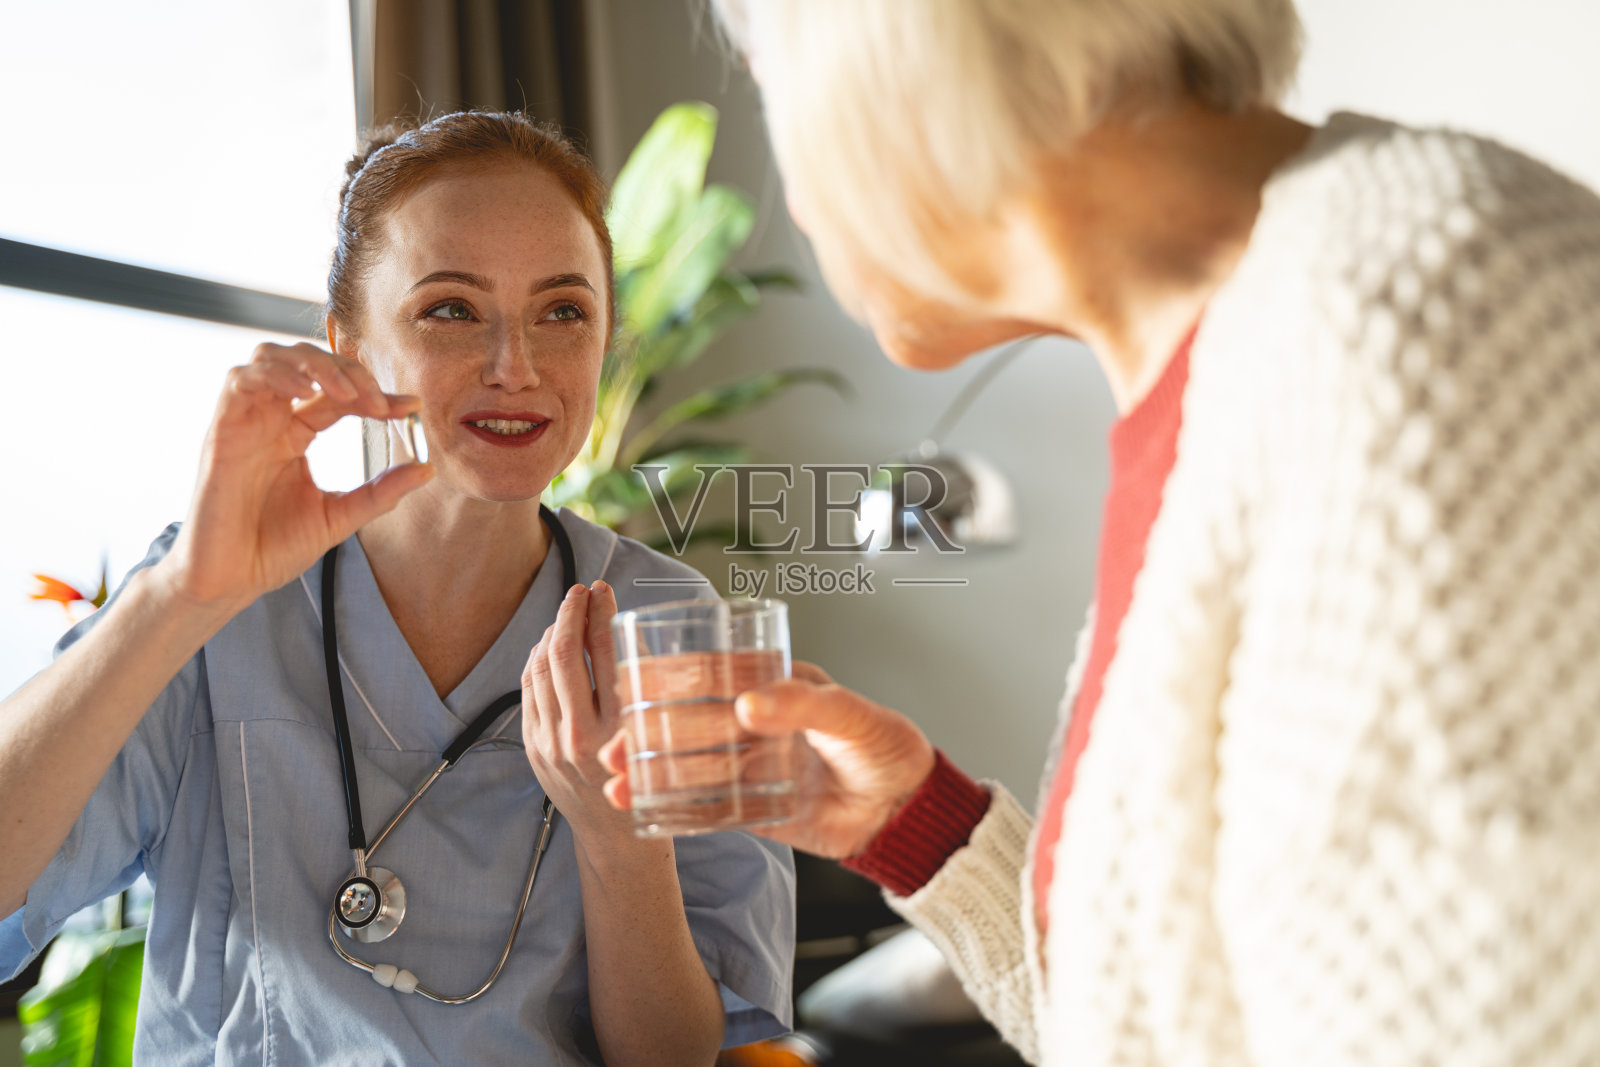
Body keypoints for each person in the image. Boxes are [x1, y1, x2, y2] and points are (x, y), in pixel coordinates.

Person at [599, 2, 1600, 1065]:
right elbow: (1187, 1022)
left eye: (770, 86)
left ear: (888, 58)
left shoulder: (1414, 323)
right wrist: (920, 827)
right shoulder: (1252, 340)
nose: (793, 195)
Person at [0, 111, 794, 1066]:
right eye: (450, 310)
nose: (518, 366)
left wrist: (619, 839)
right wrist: (178, 596)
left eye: (564, 311)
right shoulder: (212, 600)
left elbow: (681, 1053)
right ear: (349, 346)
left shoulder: (672, 628)